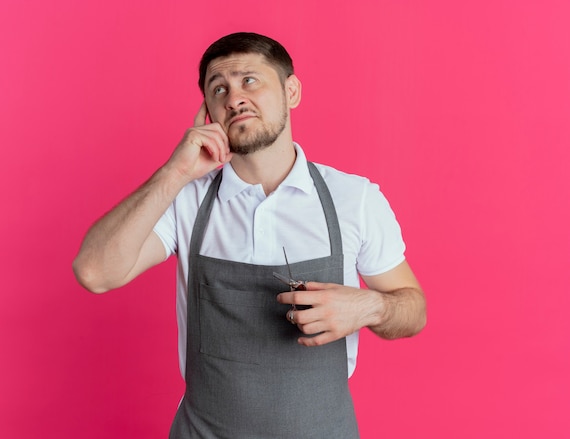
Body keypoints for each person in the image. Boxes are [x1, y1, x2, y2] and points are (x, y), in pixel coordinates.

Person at [73, 32, 426, 438]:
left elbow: (413, 309)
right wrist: (174, 173)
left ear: (291, 91)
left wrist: (370, 308)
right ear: (208, 111)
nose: (233, 97)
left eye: (249, 81)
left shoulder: (354, 199)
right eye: (218, 88)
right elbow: (94, 272)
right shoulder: (184, 200)